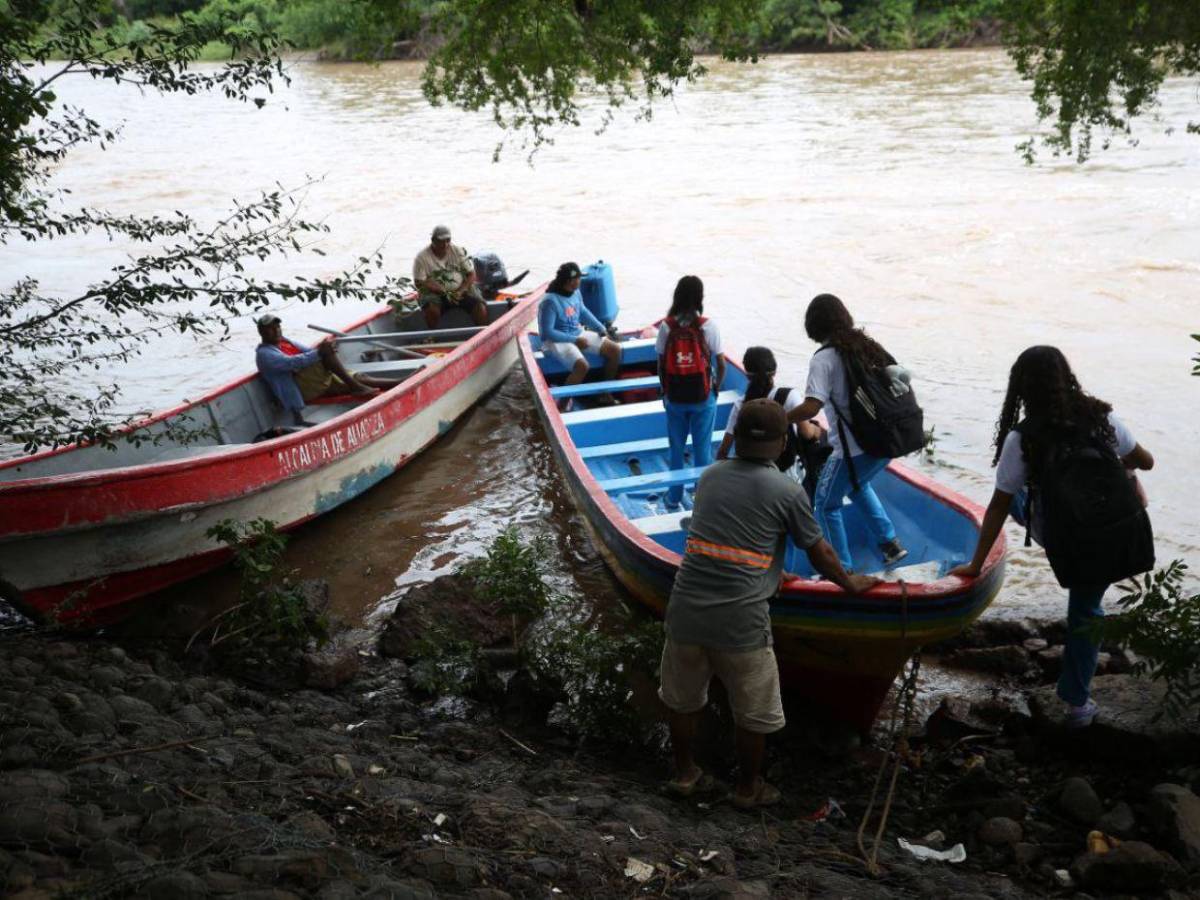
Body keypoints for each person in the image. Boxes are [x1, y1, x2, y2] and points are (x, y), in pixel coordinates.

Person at [659, 399, 881, 808]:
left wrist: (770, 570)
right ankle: (748, 789)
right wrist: (849, 583)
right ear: (782, 445)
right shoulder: (787, 489)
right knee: (754, 710)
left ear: (735, 438)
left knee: (683, 699)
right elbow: (819, 553)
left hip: (685, 608)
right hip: (741, 621)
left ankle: (685, 774)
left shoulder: (709, 477)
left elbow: (726, 536)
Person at [949, 346, 1154, 729]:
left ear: (1021, 389)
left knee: (1015, 494)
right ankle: (1077, 705)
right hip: (1123, 528)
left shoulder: (1023, 438)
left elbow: (998, 505)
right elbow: (1147, 460)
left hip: (1071, 538)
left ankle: (1077, 704)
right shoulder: (1103, 416)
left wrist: (976, 565)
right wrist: (1124, 470)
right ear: (1066, 377)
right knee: (1087, 608)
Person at [785, 294, 907, 572]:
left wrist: (783, 417)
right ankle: (890, 544)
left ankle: (840, 570)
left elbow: (812, 405)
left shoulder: (824, 359)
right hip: (886, 442)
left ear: (813, 325)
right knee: (857, 485)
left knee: (825, 505)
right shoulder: (866, 347)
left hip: (853, 451)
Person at [657, 275, 726, 510]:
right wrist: (714, 391)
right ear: (700, 297)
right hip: (703, 398)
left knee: (676, 448)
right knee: (702, 449)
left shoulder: (667, 326)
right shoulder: (708, 325)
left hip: (675, 398)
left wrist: (665, 392)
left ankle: (674, 497)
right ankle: (701, 498)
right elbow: (721, 364)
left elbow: (660, 363)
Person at [254, 315, 400, 425]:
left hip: (314, 381)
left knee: (359, 377)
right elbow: (293, 362)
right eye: (270, 329)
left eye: (277, 327)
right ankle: (355, 386)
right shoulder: (265, 354)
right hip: (302, 389)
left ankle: (399, 382)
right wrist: (322, 351)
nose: (276, 331)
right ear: (262, 333)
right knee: (325, 353)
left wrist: (325, 348)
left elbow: (309, 351)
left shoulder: (285, 342)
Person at [716, 346, 826, 485]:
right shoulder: (789, 396)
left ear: (747, 373)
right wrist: (817, 430)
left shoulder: (741, 404)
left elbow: (724, 450)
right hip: (785, 476)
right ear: (774, 371)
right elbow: (806, 433)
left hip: (750, 478)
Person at [538, 262, 622, 407]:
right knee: (582, 366)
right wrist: (575, 340)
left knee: (615, 350)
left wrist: (601, 328)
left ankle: (604, 393)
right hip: (556, 340)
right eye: (578, 278)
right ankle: (561, 405)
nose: (580, 280)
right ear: (570, 281)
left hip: (576, 332)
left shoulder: (576, 292)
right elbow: (548, 332)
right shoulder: (549, 302)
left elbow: (583, 311)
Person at [413, 225, 488, 329]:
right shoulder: (422, 257)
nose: (445, 244)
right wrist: (441, 291)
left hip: (460, 290)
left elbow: (471, 274)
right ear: (433, 240)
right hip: (435, 293)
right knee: (431, 310)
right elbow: (419, 282)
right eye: (441, 241)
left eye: (448, 240)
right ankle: (432, 336)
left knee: (480, 306)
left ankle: (482, 334)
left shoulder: (457, 251)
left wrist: (461, 290)